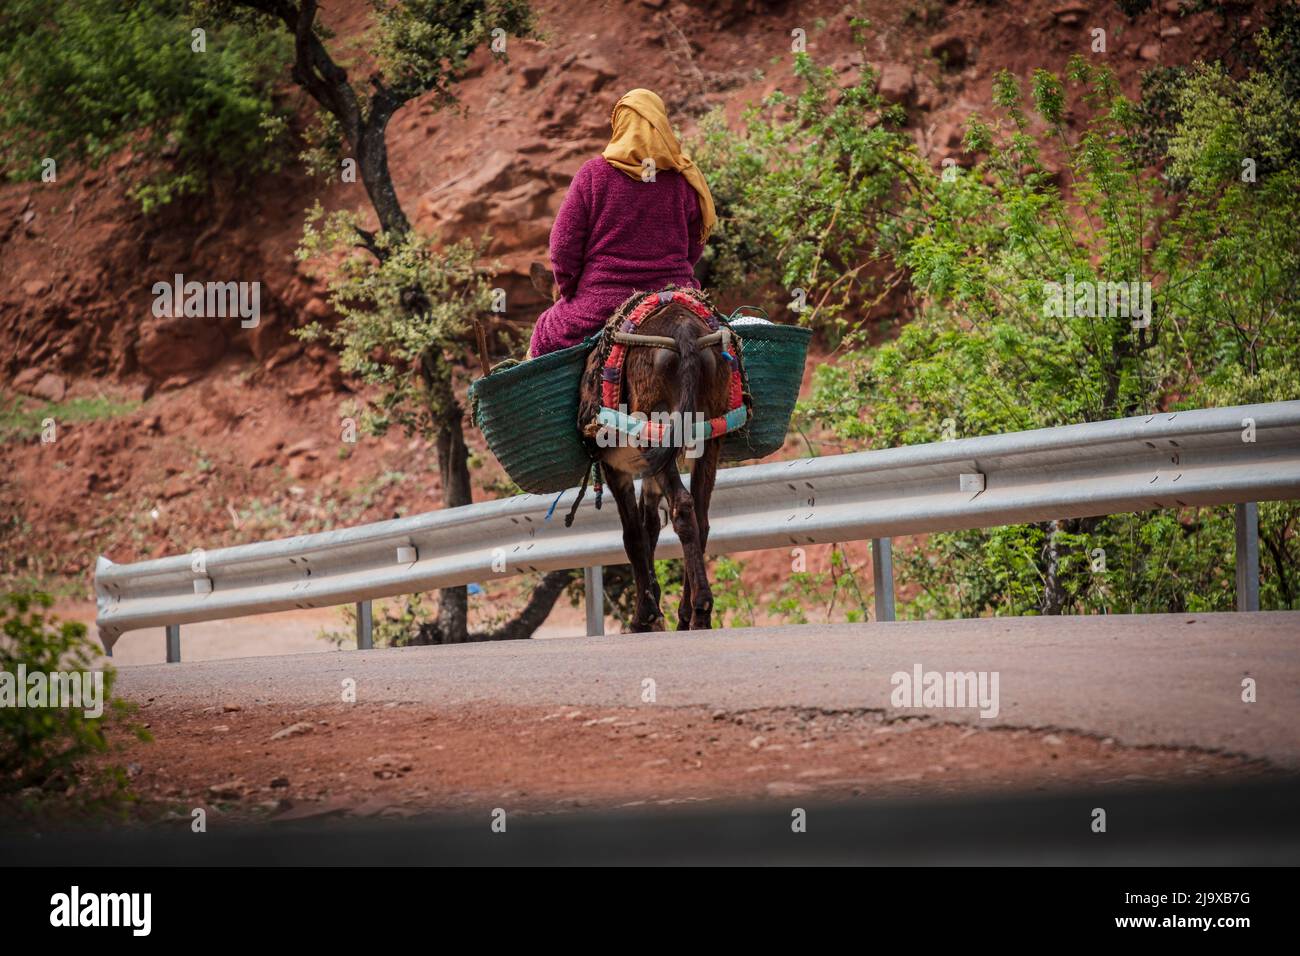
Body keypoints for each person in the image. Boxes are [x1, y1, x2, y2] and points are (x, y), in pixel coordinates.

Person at [528, 88, 717, 358]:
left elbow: (562, 245)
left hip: (602, 301)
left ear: (619, 125)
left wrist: (571, 290)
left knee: (544, 333)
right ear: (661, 125)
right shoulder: (684, 179)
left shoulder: (593, 174)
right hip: (675, 293)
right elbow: (695, 245)